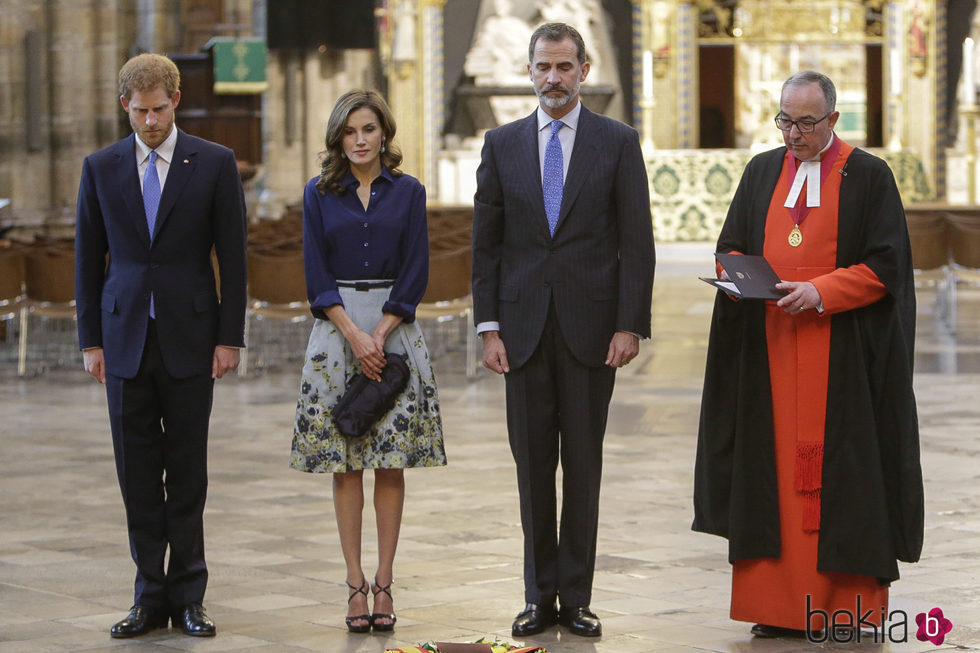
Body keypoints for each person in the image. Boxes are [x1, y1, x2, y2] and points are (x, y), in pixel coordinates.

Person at [693, 71, 923, 641]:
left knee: (843, 478)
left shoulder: (869, 176)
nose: (793, 134)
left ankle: (844, 608)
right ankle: (774, 607)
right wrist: (737, 275)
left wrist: (822, 292)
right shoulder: (762, 171)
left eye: (805, 123)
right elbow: (733, 245)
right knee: (766, 477)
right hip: (769, 353)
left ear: (833, 120)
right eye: (785, 121)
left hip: (842, 356)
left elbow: (887, 265)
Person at [472, 23, 655, 639]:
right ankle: (536, 594)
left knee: (582, 466)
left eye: (565, 67)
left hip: (590, 330)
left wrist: (630, 324)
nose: (554, 78)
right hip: (520, 332)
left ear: (584, 70)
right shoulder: (501, 144)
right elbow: (486, 246)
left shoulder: (617, 142)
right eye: (544, 67)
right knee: (531, 471)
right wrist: (488, 326)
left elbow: (636, 241)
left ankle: (576, 596)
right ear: (530, 71)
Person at [74, 53, 247, 639]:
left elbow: (234, 257)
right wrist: (89, 340)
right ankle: (149, 594)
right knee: (137, 472)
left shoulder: (214, 163)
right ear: (125, 105)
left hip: (191, 336)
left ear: (176, 100)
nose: (150, 122)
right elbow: (86, 259)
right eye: (140, 111)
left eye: (160, 109)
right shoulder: (100, 167)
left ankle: (190, 594)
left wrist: (229, 337)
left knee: (188, 471)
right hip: (123, 337)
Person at [289, 90, 446, 634]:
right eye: (350, 131)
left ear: (385, 134)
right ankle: (354, 582)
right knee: (346, 459)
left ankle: (386, 579)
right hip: (337, 333)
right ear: (339, 138)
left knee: (391, 460)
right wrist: (354, 334)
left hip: (394, 330)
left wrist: (380, 331)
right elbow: (315, 272)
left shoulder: (409, 193)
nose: (360, 140)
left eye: (369, 130)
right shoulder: (317, 193)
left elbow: (416, 267)